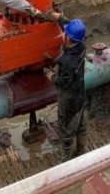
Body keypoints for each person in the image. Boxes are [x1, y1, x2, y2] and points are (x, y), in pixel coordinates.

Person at [45, 18, 88, 162]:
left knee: (66, 131)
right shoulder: (81, 46)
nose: (63, 34)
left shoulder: (67, 62)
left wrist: (51, 75)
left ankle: (66, 161)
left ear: (68, 39)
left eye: (65, 32)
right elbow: (73, 28)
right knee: (81, 126)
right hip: (80, 94)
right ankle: (81, 151)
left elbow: (62, 82)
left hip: (69, 100)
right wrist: (59, 18)